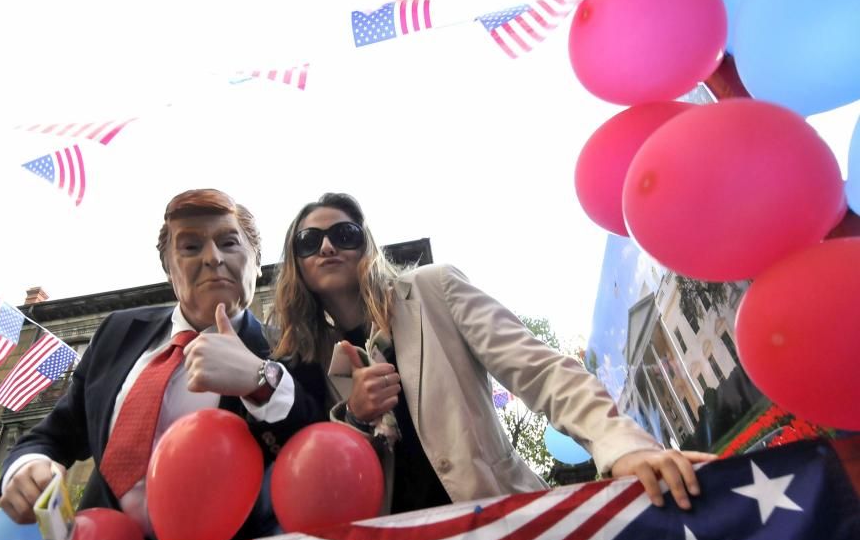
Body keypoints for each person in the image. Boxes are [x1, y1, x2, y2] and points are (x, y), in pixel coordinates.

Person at [271, 192, 715, 515]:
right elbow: (329, 473)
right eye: (310, 241)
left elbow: (540, 370)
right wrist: (354, 414)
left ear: (365, 246)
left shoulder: (433, 290)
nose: (327, 247)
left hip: (502, 524)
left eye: (344, 234)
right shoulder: (308, 359)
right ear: (297, 262)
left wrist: (621, 447)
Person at [0, 189, 324, 540]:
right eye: (190, 247)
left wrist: (260, 379)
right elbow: (53, 435)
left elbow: (316, 441)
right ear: (169, 269)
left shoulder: (293, 350)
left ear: (257, 261)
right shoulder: (117, 333)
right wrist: (26, 467)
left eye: (229, 243)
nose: (213, 258)